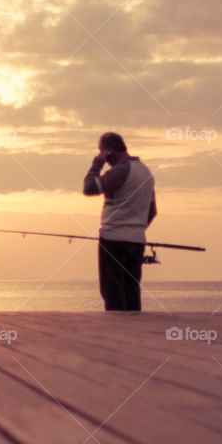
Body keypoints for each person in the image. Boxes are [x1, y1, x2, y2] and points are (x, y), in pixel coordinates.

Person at [82, 132, 156, 311]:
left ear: (108, 151)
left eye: (102, 153)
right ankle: (133, 332)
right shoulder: (146, 172)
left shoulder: (121, 171)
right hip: (137, 240)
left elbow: (89, 187)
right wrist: (136, 228)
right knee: (132, 291)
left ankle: (116, 331)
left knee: (112, 291)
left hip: (113, 239)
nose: (105, 159)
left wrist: (96, 164)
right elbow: (152, 211)